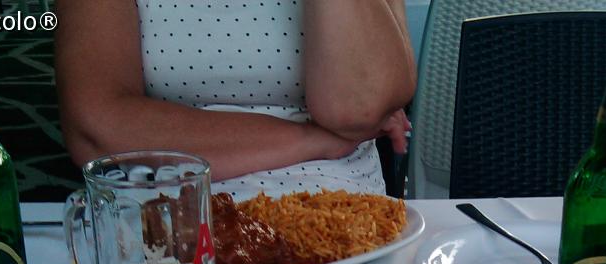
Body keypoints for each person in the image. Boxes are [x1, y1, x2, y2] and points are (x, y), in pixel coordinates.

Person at [55, 0, 416, 198]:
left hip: (343, 216)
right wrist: (311, 139)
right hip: (166, 222)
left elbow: (358, 107)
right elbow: (97, 129)